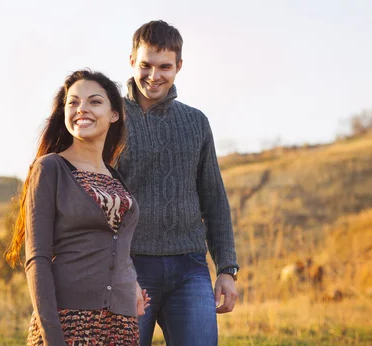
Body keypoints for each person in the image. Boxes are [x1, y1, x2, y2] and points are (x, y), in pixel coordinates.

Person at [116, 20, 240, 346]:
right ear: (132, 61)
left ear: (179, 66)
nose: (154, 75)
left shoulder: (196, 122)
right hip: (128, 267)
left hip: (190, 268)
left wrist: (226, 268)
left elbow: (214, 200)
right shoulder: (110, 119)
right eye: (145, 65)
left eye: (164, 67)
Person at [6, 69, 150, 346]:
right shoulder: (50, 168)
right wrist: (52, 338)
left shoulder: (114, 176)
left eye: (94, 102)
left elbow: (118, 245)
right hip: (68, 320)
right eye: (73, 102)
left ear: (114, 114)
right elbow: (37, 260)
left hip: (120, 325)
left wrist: (130, 283)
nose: (81, 109)